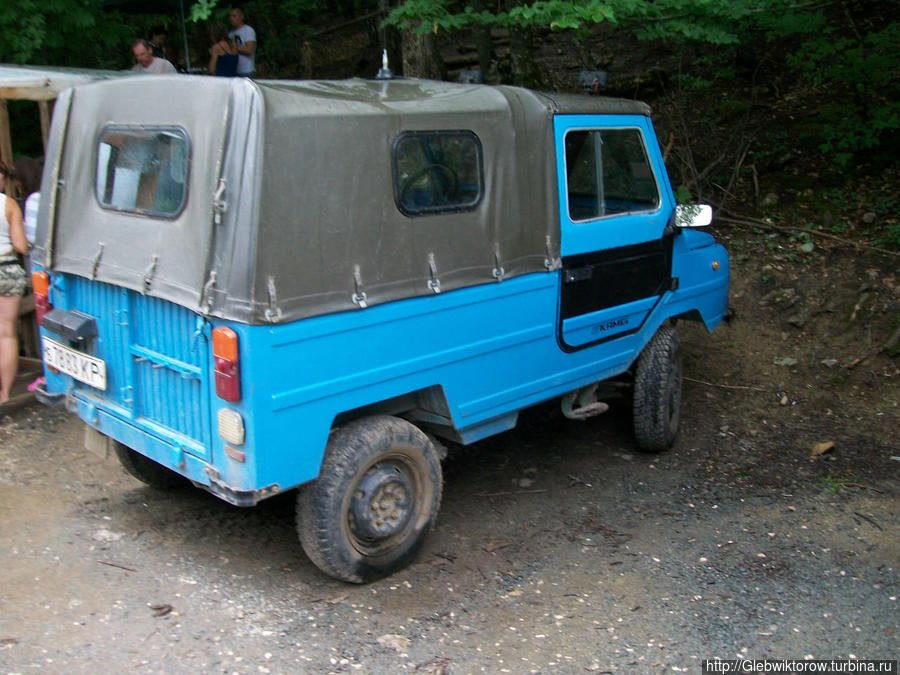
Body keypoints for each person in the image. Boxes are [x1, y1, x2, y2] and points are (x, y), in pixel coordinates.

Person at [0, 162, 29, 404]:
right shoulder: (8, 204)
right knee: (7, 333)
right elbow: (20, 246)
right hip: (7, 269)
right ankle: (5, 394)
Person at [228, 6, 257, 77]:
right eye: (230, 16)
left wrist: (233, 46)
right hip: (234, 70)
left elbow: (249, 50)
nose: (231, 19)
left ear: (242, 17)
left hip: (246, 71)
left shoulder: (248, 30)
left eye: (234, 16)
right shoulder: (230, 33)